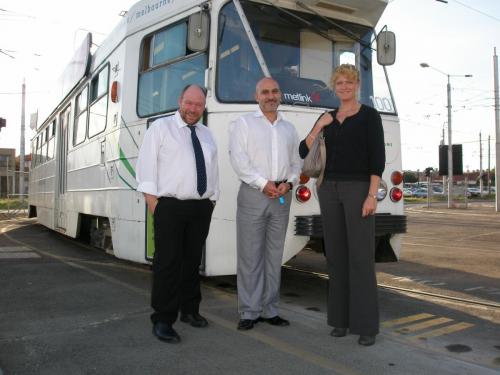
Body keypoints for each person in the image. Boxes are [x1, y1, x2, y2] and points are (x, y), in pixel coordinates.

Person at [299, 64, 385, 346]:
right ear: (334, 87)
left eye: (349, 82)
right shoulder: (327, 117)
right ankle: (340, 320)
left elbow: (377, 159)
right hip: (328, 189)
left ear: (357, 85)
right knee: (335, 256)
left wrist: (372, 195)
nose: (344, 87)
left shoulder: (370, 116)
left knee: (360, 257)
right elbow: (304, 150)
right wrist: (319, 126)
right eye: (339, 83)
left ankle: (366, 326)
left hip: (359, 189)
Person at [136, 84, 219, 343]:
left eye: (199, 105)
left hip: (200, 207)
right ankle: (162, 319)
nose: (193, 109)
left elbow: (213, 169)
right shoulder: (160, 128)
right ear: (180, 100)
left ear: (204, 107)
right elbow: (146, 169)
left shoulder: (207, 134)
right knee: (167, 264)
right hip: (169, 207)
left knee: (192, 262)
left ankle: (190, 311)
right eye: (189, 103)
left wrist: (212, 200)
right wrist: (155, 206)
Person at [229, 77, 302, 330]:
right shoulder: (243, 124)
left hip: (282, 196)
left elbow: (296, 163)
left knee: (274, 256)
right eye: (265, 92)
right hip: (253, 194)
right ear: (256, 96)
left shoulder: (289, 129)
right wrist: (263, 183)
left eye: (274, 91)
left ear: (280, 95)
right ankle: (249, 312)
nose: (270, 96)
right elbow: (239, 161)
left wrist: (289, 183)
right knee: (250, 257)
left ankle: (270, 310)